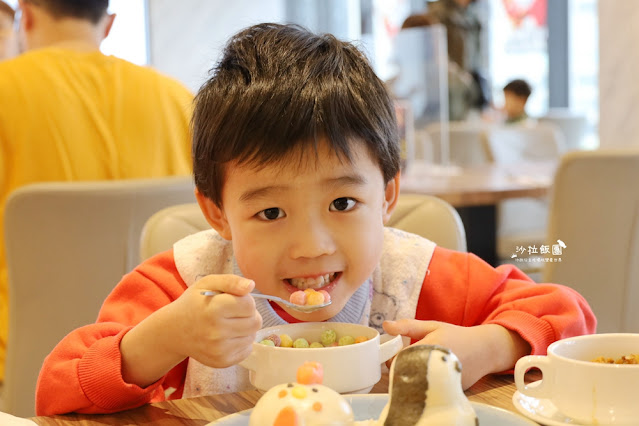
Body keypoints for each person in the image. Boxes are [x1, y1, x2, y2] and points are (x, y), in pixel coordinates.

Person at [35, 23, 596, 415]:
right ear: (217, 213)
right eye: (271, 211)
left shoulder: (419, 277)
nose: (310, 246)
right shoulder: (181, 289)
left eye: (343, 204)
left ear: (388, 194)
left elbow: (567, 314)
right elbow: (57, 392)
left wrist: (487, 345)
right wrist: (163, 339)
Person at [0, 0, 193, 384]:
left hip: (19, 365)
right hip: (158, 360)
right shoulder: (180, 101)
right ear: (108, 24)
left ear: (28, 15)